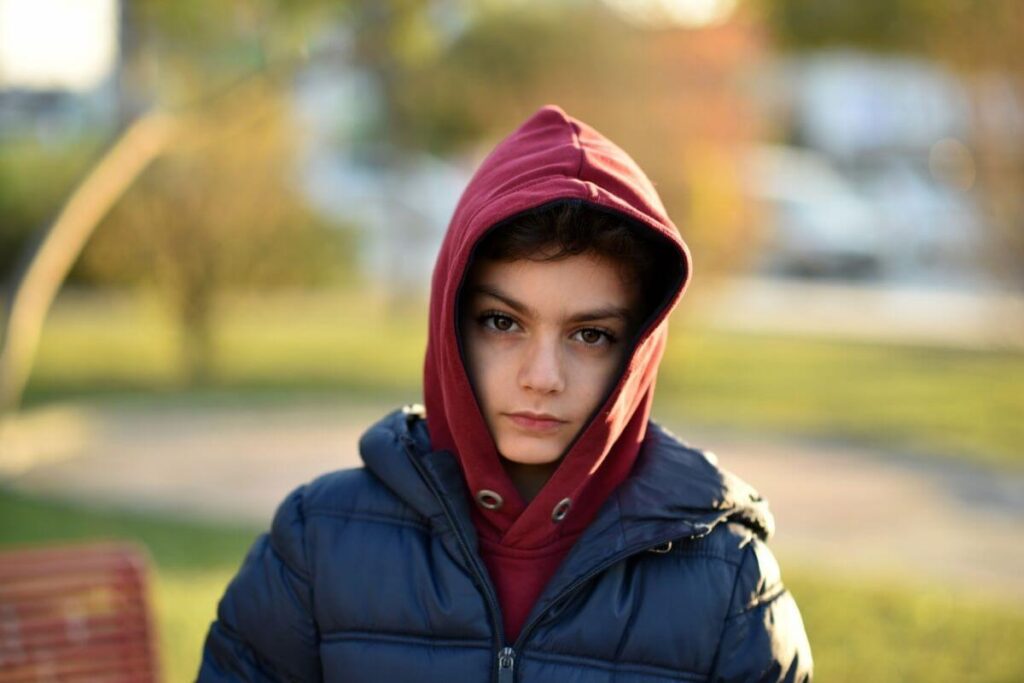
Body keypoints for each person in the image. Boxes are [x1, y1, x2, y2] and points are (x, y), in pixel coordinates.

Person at [198, 105, 813, 682]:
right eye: (503, 322)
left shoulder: (732, 582)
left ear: (639, 349)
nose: (542, 376)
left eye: (590, 335)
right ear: (450, 324)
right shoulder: (317, 543)